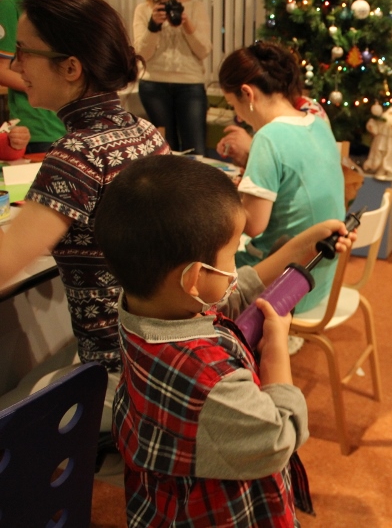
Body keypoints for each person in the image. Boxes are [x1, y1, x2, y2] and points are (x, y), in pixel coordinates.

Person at [96, 155, 327, 527]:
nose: (235, 268)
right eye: (232, 255)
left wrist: (301, 246)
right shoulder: (210, 380)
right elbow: (279, 437)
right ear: (194, 279)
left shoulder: (144, 309)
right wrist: (276, 349)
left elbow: (229, 297)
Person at [0, 0, 170, 432]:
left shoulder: (77, 155)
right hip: (159, 356)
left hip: (118, 377)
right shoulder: (143, 131)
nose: (15, 66)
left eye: (23, 52)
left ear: (71, 68)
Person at [218, 40, 345, 314]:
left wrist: (224, 198)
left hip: (286, 287)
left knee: (200, 274)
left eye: (233, 105)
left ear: (247, 94)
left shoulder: (268, 137)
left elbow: (253, 225)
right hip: (319, 278)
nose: (238, 116)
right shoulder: (317, 122)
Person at [133, 0, 211, 155]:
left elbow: (204, 51)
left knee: (196, 147)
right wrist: (153, 26)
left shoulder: (196, 8)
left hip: (190, 83)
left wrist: (187, 25)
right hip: (153, 85)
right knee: (165, 148)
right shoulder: (144, 9)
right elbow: (141, 54)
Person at [0, 0, 66, 154]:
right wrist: (51, 88)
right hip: (38, 128)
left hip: (74, 123)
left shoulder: (74, 7)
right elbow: (2, 70)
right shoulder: (12, 7)